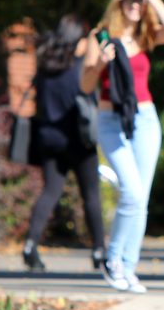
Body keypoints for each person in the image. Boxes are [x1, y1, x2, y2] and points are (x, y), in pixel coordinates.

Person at [82, 0, 164, 292]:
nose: (136, 6)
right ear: (119, 1)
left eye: (141, 1)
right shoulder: (101, 35)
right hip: (110, 118)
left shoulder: (145, 34)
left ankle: (129, 266)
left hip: (145, 119)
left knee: (142, 199)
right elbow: (85, 86)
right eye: (130, 0)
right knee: (133, 193)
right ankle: (113, 261)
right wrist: (100, 62)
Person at [21, 15, 106, 272]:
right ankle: (99, 250)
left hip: (49, 138)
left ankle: (30, 245)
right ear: (77, 39)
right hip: (78, 140)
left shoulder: (45, 67)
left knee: (50, 192)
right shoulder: (80, 67)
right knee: (90, 194)